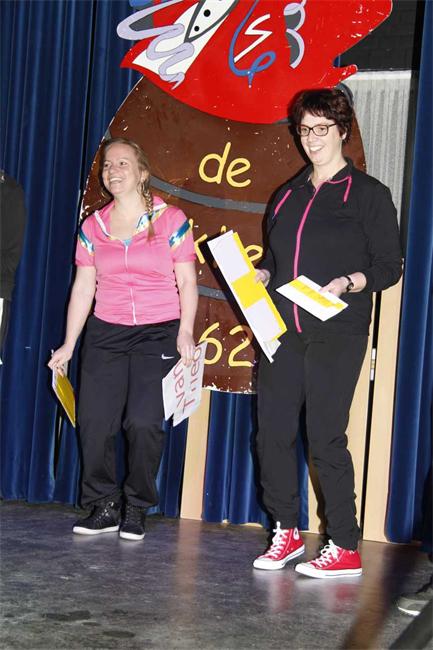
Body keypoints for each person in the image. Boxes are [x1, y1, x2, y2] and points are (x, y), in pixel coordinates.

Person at [253, 88, 402, 577]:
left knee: (324, 437)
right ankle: (286, 530)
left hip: (337, 329)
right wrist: (264, 274)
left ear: (342, 131)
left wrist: (349, 282)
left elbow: (390, 265)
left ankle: (344, 545)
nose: (312, 138)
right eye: (304, 129)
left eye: (322, 128)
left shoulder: (368, 194)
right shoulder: (287, 193)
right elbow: (275, 257)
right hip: (283, 330)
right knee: (271, 434)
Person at [48, 137, 197, 541]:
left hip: (158, 330)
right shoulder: (92, 227)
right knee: (94, 421)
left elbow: (187, 281)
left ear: (143, 173)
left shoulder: (170, 219)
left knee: (144, 422)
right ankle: (104, 504)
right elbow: (83, 287)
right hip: (106, 332)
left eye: (123, 164)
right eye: (107, 165)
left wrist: (185, 331)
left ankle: (137, 505)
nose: (112, 171)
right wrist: (69, 344)